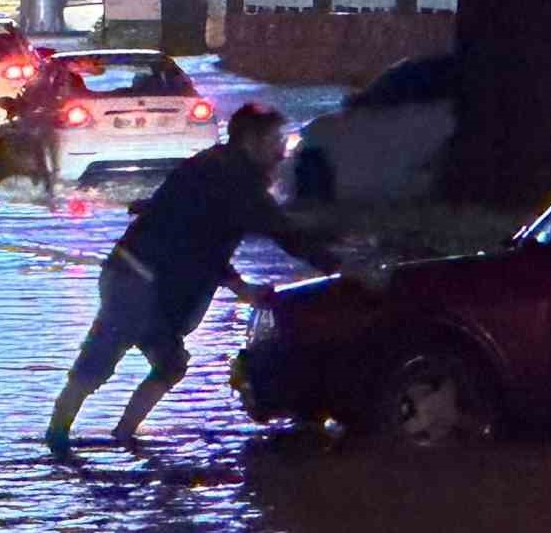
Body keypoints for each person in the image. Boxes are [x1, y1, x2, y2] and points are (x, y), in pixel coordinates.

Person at [44, 103, 340, 458]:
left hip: (144, 279)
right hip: (136, 279)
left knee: (170, 364)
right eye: (275, 141)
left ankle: (123, 436)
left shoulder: (217, 167)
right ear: (250, 140)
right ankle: (58, 437)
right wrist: (339, 266)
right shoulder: (233, 178)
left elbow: (205, 240)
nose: (282, 151)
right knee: (100, 359)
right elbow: (282, 232)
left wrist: (238, 285)